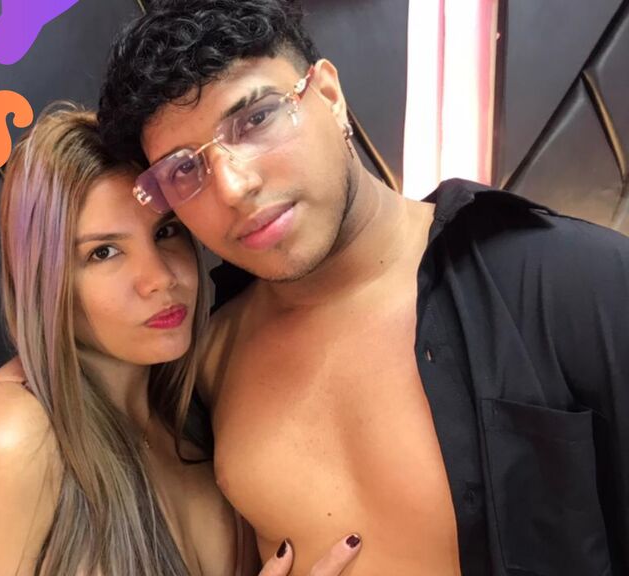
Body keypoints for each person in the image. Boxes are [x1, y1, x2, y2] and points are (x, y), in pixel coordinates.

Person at [97, 1, 629, 575]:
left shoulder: (570, 281)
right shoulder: (205, 361)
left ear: (328, 95)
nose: (233, 185)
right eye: (183, 169)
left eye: (256, 119)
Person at [0, 106, 363, 575]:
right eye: (103, 252)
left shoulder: (200, 411)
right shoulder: (10, 439)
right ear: (45, 281)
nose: (159, 277)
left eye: (166, 232)